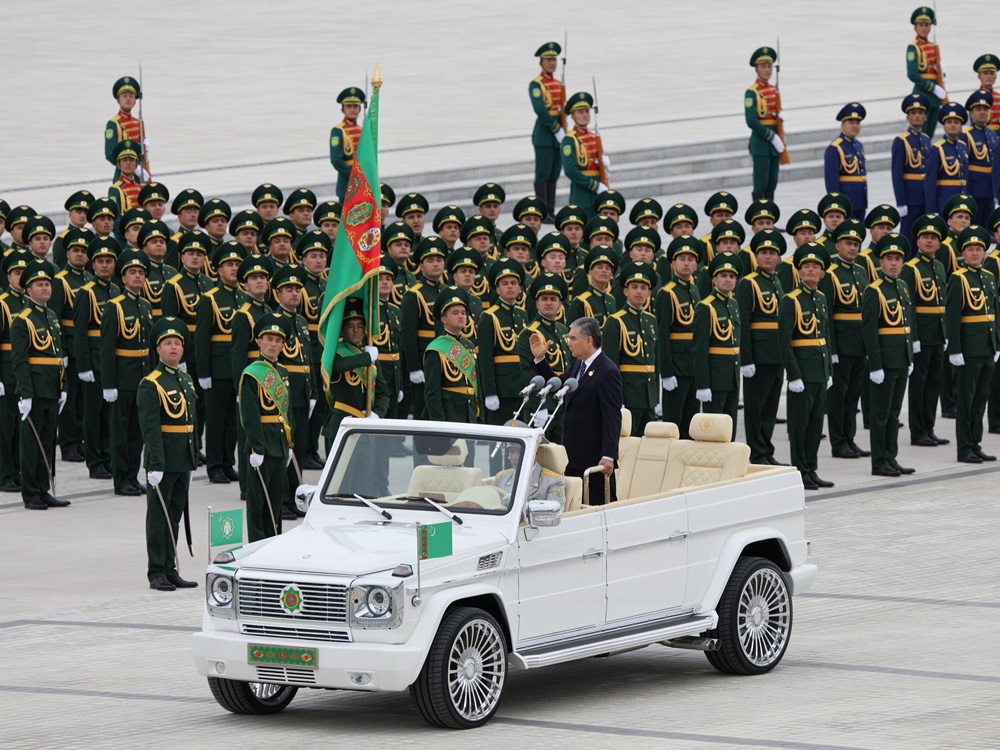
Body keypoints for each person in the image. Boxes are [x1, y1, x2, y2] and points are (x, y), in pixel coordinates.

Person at [530, 316, 622, 505]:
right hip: (572, 453)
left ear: (588, 340)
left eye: (573, 339)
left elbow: (612, 417)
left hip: (593, 458)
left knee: (597, 507)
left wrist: (608, 456)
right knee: (574, 506)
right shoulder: (579, 365)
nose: (569, 343)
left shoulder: (607, 371)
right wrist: (540, 360)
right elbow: (559, 384)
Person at [137, 316, 198, 591]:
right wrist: (155, 464)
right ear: (158, 349)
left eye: (177, 343)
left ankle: (171, 568)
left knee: (174, 515)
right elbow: (150, 429)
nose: (173, 348)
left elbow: (191, 424)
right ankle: (156, 571)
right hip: (163, 460)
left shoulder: (185, 379)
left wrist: (193, 459)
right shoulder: (151, 383)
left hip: (182, 459)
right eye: (167, 343)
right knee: (158, 517)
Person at [11, 259, 69, 510]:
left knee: (47, 442)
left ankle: (44, 488)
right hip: (35, 388)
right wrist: (26, 393)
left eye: (47, 284)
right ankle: (30, 492)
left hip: (52, 388)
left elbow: (58, 355)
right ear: (28, 289)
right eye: (39, 284)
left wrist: (64, 386)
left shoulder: (52, 316)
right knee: (32, 444)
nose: (45, 288)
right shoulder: (22, 320)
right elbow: (20, 361)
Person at [779, 243, 834, 490]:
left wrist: (829, 371)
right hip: (802, 372)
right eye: (806, 266)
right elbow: (785, 342)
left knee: (815, 425)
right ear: (799, 272)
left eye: (816, 267)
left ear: (822, 273)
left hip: (820, 371)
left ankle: (811, 469)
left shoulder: (821, 298)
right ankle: (799, 470)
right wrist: (794, 375)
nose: (811, 270)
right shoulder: (791, 300)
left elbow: (825, 336)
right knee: (800, 426)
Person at [100, 248, 153, 496]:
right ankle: (120, 479)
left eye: (141, 273)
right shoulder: (115, 306)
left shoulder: (144, 305)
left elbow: (149, 346)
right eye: (132, 272)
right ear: (123, 278)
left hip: (141, 378)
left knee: (137, 433)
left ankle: (132, 475)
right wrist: (109, 384)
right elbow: (107, 347)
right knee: (120, 433)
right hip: (122, 378)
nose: (137, 277)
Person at [863, 234, 916, 477]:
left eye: (897, 259)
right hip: (884, 362)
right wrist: (875, 366)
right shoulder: (873, 290)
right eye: (889, 259)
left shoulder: (903, 287)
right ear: (880, 262)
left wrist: (910, 358)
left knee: (894, 413)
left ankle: (891, 456)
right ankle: (879, 461)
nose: (893, 263)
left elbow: (907, 325)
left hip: (901, 360)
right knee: (881, 414)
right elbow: (870, 332)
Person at [946, 225, 999, 463]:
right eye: (970, 249)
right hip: (968, 350)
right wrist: (955, 350)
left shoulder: (988, 277)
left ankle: (975, 443)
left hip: (987, 348)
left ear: (985, 252)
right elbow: (953, 317)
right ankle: (964, 447)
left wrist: (996, 344)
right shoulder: (958, 278)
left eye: (979, 249)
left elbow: (993, 313)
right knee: (966, 401)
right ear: (963, 253)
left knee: (980, 400)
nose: (975, 253)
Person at [196, 242, 247, 484]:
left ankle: (228, 463)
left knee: (233, 422)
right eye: (229, 265)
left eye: (237, 264)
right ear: (218, 270)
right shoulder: (210, 299)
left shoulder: (244, 297)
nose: (234, 268)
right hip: (217, 370)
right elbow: (202, 338)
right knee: (216, 421)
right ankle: (215, 466)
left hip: (240, 370)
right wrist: (203, 372)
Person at [240, 312, 293, 542]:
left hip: (279, 445)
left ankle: (273, 543)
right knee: (257, 504)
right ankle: (256, 546)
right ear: (259, 341)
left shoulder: (282, 372)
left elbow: (287, 412)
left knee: (275, 502)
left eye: (278, 340)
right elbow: (250, 414)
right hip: (260, 446)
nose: (273, 344)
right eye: (269, 339)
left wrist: (289, 444)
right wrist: (257, 447)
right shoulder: (253, 373)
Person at [820, 219, 871, 459]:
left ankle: (849, 438)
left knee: (853, 396)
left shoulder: (861, 271)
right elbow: (827, 313)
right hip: (841, 343)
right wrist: (831, 348)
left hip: (860, 343)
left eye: (856, 244)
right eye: (847, 243)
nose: (852, 248)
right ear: (837, 245)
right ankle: (838, 442)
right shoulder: (829, 273)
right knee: (838, 397)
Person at [900, 214, 950, 448]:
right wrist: (914, 338)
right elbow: (909, 305)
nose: (929, 241)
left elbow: (943, 303)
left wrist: (946, 332)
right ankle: (918, 431)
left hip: (938, 335)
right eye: (925, 237)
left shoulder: (939, 267)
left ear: (939, 243)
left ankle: (929, 428)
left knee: (934, 384)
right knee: (919, 386)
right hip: (922, 335)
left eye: (933, 238)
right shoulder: (910, 269)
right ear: (917, 242)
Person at [737, 229, 786, 464]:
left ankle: (766, 449)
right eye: (763, 252)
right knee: (755, 409)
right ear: (756, 257)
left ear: (778, 258)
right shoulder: (748, 283)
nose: (767, 257)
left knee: (770, 408)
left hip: (777, 355)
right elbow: (743, 323)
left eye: (772, 253)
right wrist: (746, 359)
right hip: (758, 356)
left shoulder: (777, 281)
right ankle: (756, 452)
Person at [73, 235, 120, 480]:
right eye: (100, 261)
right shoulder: (86, 292)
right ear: (93, 265)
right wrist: (83, 365)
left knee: (109, 415)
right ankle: (95, 461)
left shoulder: (115, 290)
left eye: (109, 260)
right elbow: (79, 331)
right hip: (93, 359)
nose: (104, 265)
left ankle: (109, 456)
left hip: (112, 361)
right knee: (93, 414)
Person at [272, 264, 313, 519]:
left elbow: (308, 358)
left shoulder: (300, 321)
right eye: (288, 290)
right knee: (284, 450)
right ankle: (283, 499)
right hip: (283, 393)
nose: (294, 294)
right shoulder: (274, 322)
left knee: (299, 450)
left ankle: (295, 497)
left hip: (302, 394)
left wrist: (314, 392)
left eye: (297, 289)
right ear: (278, 294)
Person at [230, 254, 273, 500]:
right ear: (245, 284)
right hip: (250, 382)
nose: (259, 282)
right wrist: (240, 389)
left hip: (267, 381)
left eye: (262, 278)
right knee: (248, 434)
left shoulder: (267, 311)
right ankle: (247, 485)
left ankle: (259, 478)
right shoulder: (243, 314)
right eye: (253, 278)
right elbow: (237, 356)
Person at [50, 226, 93, 462]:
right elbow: (55, 317)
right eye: (75, 250)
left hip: (85, 347)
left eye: (84, 250)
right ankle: (68, 445)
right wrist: (61, 351)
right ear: (67, 253)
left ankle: (79, 441)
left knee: (82, 401)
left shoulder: (89, 279)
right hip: (69, 344)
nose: (80, 254)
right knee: (69, 398)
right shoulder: (60, 281)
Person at [480, 257, 529, 456]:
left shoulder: (522, 314)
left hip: (522, 388)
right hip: (501, 390)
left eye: (514, 283)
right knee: (499, 446)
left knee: (520, 443)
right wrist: (490, 391)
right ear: (497, 289)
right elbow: (485, 357)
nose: (510, 287)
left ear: (519, 288)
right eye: (504, 284)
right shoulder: (489, 316)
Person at [604, 261, 659, 437]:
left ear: (649, 293)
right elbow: (611, 364)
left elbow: (653, 360)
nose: (639, 292)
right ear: (625, 291)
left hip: (648, 396)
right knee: (627, 446)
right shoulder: (616, 321)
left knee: (647, 446)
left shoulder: (650, 320)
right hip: (628, 395)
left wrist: (655, 396)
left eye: (643, 288)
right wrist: (617, 399)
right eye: (634, 287)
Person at [656, 235, 702, 439]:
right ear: (673, 263)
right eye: (681, 259)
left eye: (691, 259)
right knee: (673, 425)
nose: (686, 263)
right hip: (676, 367)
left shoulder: (694, 289)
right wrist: (666, 372)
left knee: (690, 424)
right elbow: (662, 335)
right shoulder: (667, 293)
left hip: (693, 366)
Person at [517, 272, 571, 442]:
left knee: (561, 458)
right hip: (542, 405)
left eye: (553, 299)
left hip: (563, 403)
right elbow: (528, 373)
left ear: (560, 304)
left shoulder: (563, 331)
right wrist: (539, 406)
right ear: (537, 303)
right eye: (544, 299)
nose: (549, 303)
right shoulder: (530, 333)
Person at [693, 254, 741, 439]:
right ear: (714, 279)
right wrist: (703, 385)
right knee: (713, 432)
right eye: (723, 276)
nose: (728, 280)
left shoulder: (733, 304)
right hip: (715, 379)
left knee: (730, 430)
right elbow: (699, 349)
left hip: (732, 378)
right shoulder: (705, 307)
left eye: (731, 276)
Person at [401, 237, 446, 420]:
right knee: (423, 410)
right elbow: (408, 335)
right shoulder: (414, 294)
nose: (436, 264)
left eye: (439, 260)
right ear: (420, 265)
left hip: (445, 358)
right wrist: (414, 367)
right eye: (430, 260)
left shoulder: (447, 291)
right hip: (424, 359)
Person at [296, 230, 331, 470]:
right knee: (307, 407)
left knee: (322, 407)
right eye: (313, 256)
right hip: (307, 352)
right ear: (302, 259)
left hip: (325, 352)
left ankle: (312, 449)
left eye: (321, 256)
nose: (318, 260)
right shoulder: (297, 284)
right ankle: (304, 452)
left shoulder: (328, 284)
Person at [423, 286, 479, 423]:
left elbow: (476, 386)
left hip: (469, 414)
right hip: (450, 415)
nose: (461, 316)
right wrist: (440, 426)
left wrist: (479, 417)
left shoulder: (469, 345)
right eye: (455, 313)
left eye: (463, 312)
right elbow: (432, 394)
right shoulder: (436, 349)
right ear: (444, 319)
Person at [0, 251, 30, 492]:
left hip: (25, 373)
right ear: (8, 276)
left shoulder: (31, 304)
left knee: (21, 428)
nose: (20, 278)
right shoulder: (2, 303)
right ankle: (5, 474)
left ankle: (18, 471)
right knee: (5, 427)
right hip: (7, 372)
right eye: (16, 273)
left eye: (23, 273)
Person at [529, 42, 565, 222]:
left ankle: (551, 210)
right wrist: (555, 128)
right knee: (543, 173)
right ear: (541, 62)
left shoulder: (559, 84)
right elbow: (540, 110)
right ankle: (542, 212)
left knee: (554, 173)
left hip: (558, 137)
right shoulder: (536, 85)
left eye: (554, 60)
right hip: (544, 135)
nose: (552, 63)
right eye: (548, 60)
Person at [745, 46, 786, 200]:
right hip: (762, 144)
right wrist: (771, 136)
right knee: (760, 184)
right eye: (763, 66)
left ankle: (770, 220)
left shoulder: (773, 90)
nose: (767, 70)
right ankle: (759, 219)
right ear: (756, 69)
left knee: (771, 183)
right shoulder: (752, 92)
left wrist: (781, 119)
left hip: (774, 145)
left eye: (769, 66)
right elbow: (751, 121)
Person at [891, 93, 932, 241]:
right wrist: (901, 202)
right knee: (908, 236)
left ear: (925, 117)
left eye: (921, 113)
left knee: (924, 235)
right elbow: (897, 173)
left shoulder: (926, 140)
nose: (917, 116)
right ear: (907, 117)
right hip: (910, 197)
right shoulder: (901, 140)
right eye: (913, 113)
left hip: (926, 197)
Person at [906, 6, 947, 137]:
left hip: (935, 97)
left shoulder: (932, 46)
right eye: (921, 25)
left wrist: (941, 71)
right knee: (920, 132)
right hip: (922, 93)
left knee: (930, 133)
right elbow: (912, 74)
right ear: (915, 28)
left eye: (926, 25)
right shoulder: (913, 47)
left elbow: (933, 69)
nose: (924, 28)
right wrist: (932, 87)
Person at [561, 92, 605, 217]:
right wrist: (595, 186)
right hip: (582, 194)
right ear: (573, 116)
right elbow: (570, 171)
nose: (585, 115)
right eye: (580, 112)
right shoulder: (569, 140)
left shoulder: (594, 137)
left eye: (586, 111)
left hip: (598, 191)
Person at [924, 103, 970, 214]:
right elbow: (930, 182)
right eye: (949, 122)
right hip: (945, 201)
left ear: (961, 126)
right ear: (944, 126)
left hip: (962, 199)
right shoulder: (937, 148)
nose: (953, 125)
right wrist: (932, 210)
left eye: (956, 122)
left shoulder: (962, 146)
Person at [824, 104, 868, 220]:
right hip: (846, 202)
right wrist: (836, 205)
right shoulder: (835, 147)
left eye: (857, 123)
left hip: (860, 201)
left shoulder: (858, 145)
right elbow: (831, 181)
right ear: (842, 125)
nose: (855, 126)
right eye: (851, 123)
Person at [494, 442, 566, 509]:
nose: (514, 457)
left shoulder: (553, 481)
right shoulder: (502, 477)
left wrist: (524, 506)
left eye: (520, 452)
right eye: (512, 452)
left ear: (536, 454)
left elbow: (553, 513)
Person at [963, 91, 998, 225]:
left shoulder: (992, 134)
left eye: (985, 109)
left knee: (989, 230)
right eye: (978, 109)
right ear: (971, 113)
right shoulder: (965, 134)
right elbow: (963, 166)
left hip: (991, 189)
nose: (982, 112)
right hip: (975, 189)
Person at [105, 76, 147, 180]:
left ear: (135, 100)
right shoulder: (113, 124)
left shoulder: (138, 122)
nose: (128, 98)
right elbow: (110, 154)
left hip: (141, 173)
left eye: (131, 96)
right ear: (118, 100)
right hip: (122, 176)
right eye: (124, 96)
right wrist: (129, 166)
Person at [330, 87, 365, 202]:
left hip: (363, 182)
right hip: (346, 183)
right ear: (342, 110)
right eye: (349, 106)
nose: (352, 110)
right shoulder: (338, 131)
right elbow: (336, 160)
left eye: (355, 106)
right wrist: (354, 174)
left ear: (360, 109)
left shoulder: (363, 131)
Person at [566, 245, 617, 325]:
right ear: (590, 272)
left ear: (611, 275)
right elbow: (571, 332)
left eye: (607, 268)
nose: (604, 271)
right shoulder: (581, 302)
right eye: (599, 267)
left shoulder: (611, 300)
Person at [52, 190, 94, 268]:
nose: (82, 215)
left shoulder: (90, 238)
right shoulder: (62, 239)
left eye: (85, 213)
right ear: (70, 214)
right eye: (79, 212)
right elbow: (59, 268)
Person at [973, 53, 1000, 134]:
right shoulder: (975, 97)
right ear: (979, 76)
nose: (989, 76)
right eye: (985, 73)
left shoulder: (998, 97)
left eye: (991, 73)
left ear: (995, 77)